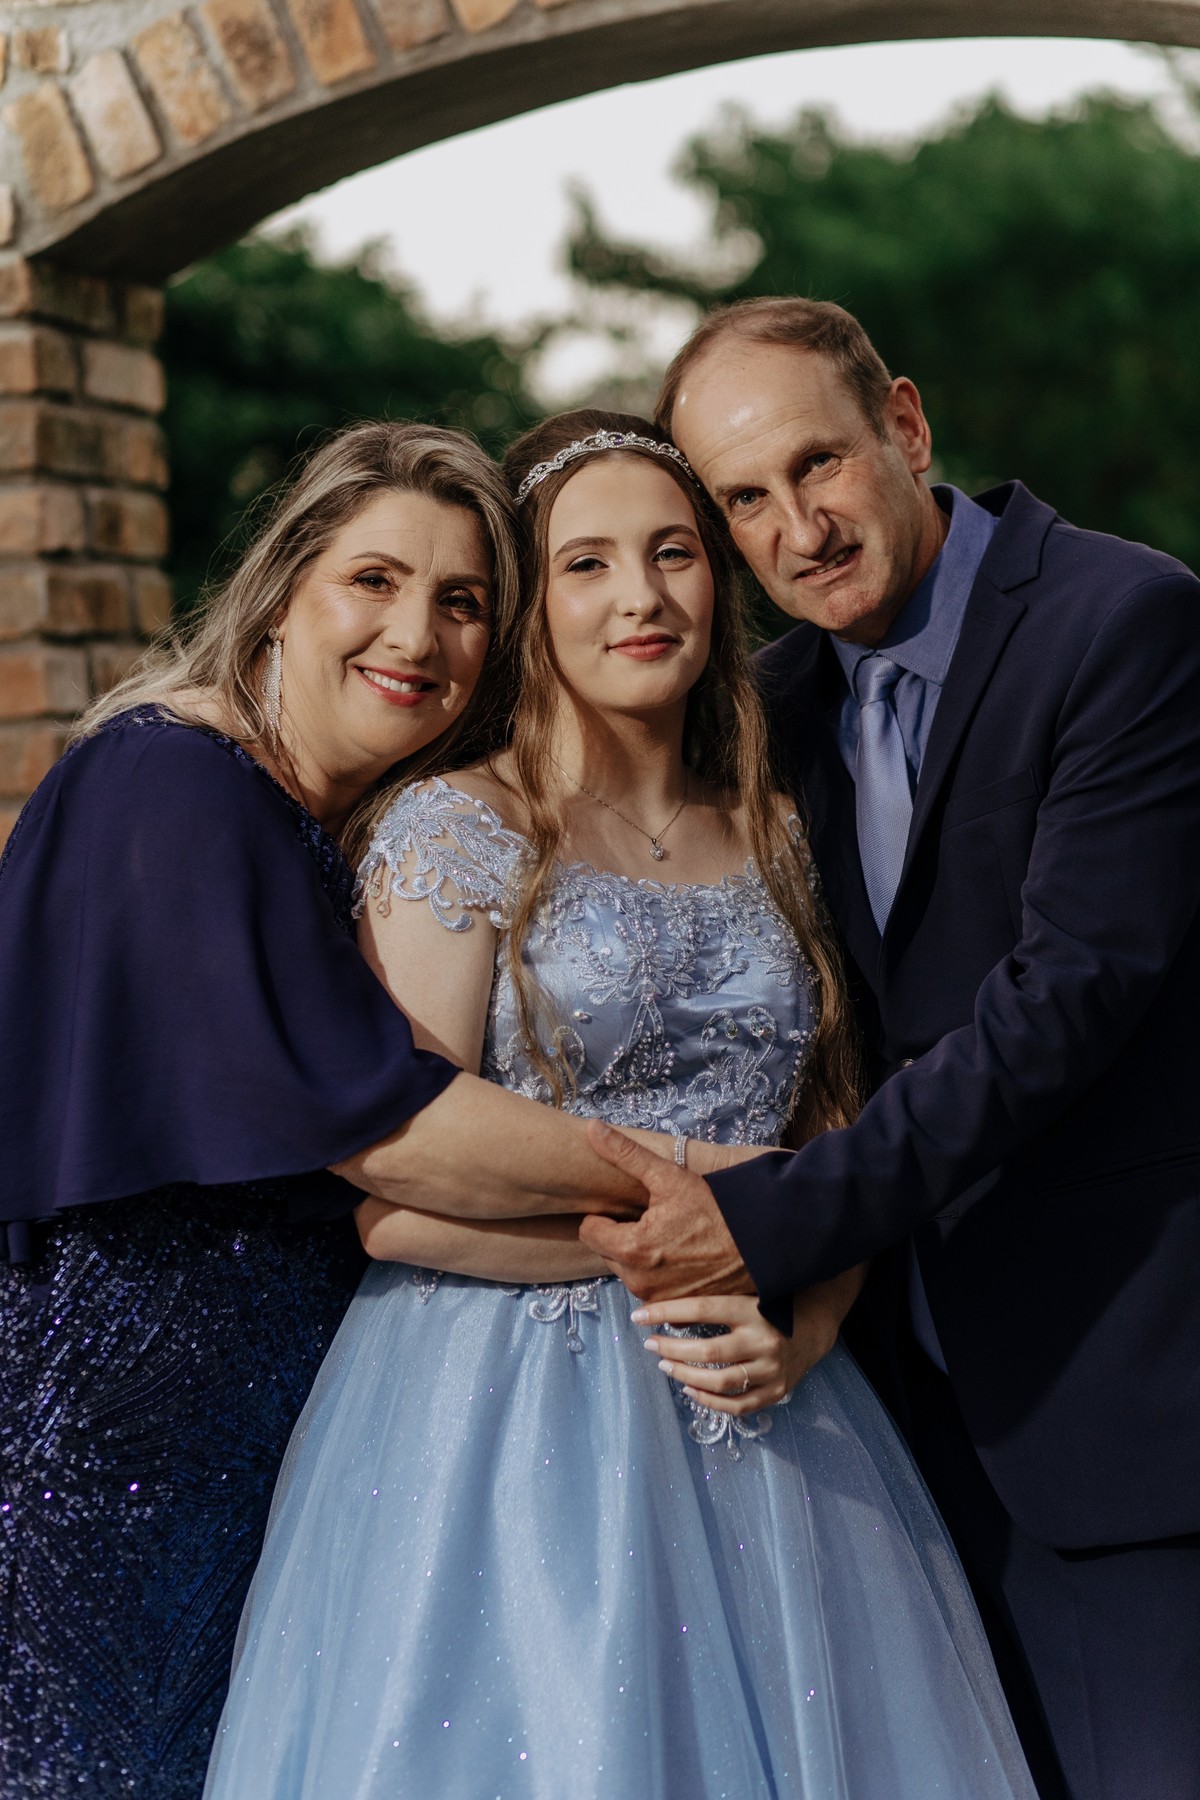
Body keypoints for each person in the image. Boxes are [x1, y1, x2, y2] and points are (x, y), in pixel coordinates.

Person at [203, 410, 1036, 1800]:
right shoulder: (454, 827)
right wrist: (707, 1230)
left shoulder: (784, 826)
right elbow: (395, 1201)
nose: (640, 597)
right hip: (493, 1413)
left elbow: (839, 1130)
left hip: (771, 1400)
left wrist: (804, 1318)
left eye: (673, 553)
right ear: (531, 605)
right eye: (585, 564)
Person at [580, 299, 1200, 1800]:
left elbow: (1064, 1000)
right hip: (875, 1430)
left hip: (1116, 1395)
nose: (798, 529)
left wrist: (769, 1220)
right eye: (744, 499)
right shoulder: (770, 711)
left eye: (819, 465)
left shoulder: (1123, 622)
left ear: (905, 428)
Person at [0, 421, 659, 1800]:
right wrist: (740, 1187)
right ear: (282, 592)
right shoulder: (172, 781)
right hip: (122, 1469)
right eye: (373, 580)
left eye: (462, 601)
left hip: (268, 1459)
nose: (415, 635)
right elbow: (386, 1128)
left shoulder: (305, 827)